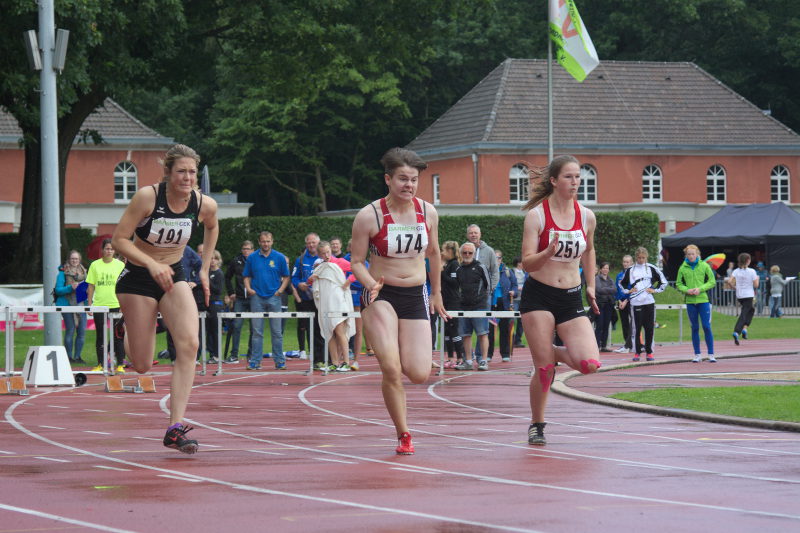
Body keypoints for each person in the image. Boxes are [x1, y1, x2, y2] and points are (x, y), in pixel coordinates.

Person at [111, 143, 219, 454]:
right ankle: (127, 329)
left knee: (190, 344)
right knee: (143, 365)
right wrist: (151, 263)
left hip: (174, 274)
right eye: (182, 171)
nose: (188, 177)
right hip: (138, 277)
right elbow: (119, 239)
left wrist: (204, 267)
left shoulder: (203, 204)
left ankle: (175, 427)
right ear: (168, 173)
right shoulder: (148, 197)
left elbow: (212, 228)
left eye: (192, 172)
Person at [349, 147, 447, 455]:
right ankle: (404, 433)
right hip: (382, 294)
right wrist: (370, 284)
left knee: (418, 373)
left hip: (415, 293)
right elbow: (355, 261)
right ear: (388, 180)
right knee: (391, 368)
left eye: (414, 180)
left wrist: (436, 292)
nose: (409, 185)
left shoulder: (428, 212)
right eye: (403, 179)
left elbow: (433, 253)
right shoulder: (370, 216)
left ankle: (398, 350)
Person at [519, 155, 601, 446]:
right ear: (554, 181)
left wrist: (590, 285)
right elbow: (527, 263)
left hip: (570, 296)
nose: (575, 182)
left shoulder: (586, 216)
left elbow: (589, 251)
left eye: (578, 177)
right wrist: (548, 251)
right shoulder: (537, 216)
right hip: (539, 295)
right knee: (544, 370)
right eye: (568, 177)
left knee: (590, 363)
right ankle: (537, 424)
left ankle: (548, 351)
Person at [243, 231, 290, 370]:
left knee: (277, 332)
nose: (266, 244)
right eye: (263, 241)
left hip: (274, 298)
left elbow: (286, 276)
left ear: (272, 241)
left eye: (268, 241)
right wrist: (249, 289)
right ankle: (256, 361)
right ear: (259, 242)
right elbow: (246, 276)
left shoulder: (279, 257)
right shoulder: (252, 257)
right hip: (257, 297)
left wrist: (280, 291)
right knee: (257, 332)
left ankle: (279, 361)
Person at [309, 241, 356, 372]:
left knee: (340, 331)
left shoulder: (340, 262)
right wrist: (312, 278)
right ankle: (334, 362)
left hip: (339, 302)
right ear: (319, 254)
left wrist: (348, 282)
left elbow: (357, 269)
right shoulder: (319, 266)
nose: (326, 255)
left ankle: (346, 362)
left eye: (328, 252)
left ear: (331, 251)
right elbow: (310, 281)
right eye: (323, 253)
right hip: (326, 303)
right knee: (329, 332)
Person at [618, 247, 667, 361]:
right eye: (639, 257)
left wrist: (655, 290)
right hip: (635, 303)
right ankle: (637, 352)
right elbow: (622, 284)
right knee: (636, 328)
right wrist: (628, 291)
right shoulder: (631, 270)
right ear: (636, 257)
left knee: (649, 328)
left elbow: (663, 282)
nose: (641, 260)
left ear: (647, 257)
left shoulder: (651, 268)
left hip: (649, 303)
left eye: (643, 257)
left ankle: (649, 352)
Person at [86, 239, 126, 373]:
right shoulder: (95, 265)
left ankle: (120, 364)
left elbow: (124, 286)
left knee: (118, 335)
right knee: (100, 336)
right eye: (107, 248)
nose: (109, 251)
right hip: (99, 305)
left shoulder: (120, 265)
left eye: (111, 249)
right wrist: (90, 304)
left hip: (116, 304)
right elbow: (91, 286)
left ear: (115, 251)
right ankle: (101, 364)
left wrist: (123, 305)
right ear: (102, 250)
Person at [675, 244, 716, 362]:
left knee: (706, 326)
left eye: (693, 254)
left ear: (697, 254)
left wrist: (700, 289)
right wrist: (686, 290)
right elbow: (678, 284)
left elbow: (712, 281)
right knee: (694, 327)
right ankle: (697, 354)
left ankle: (711, 354)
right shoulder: (682, 268)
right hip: (690, 302)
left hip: (703, 301)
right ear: (686, 255)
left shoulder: (704, 266)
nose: (691, 256)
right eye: (689, 254)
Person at [455, 242, 491, 370]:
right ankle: (468, 361)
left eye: (470, 252)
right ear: (461, 253)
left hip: (479, 306)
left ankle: (484, 360)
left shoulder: (481, 267)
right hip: (463, 306)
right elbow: (456, 287)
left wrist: (482, 300)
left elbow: (489, 286)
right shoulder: (458, 269)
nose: (467, 255)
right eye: (464, 252)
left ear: (474, 254)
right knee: (465, 334)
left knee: (482, 333)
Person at [292, 233, 325, 366]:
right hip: (306, 299)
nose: (311, 245)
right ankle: (315, 359)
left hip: (322, 299)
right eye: (309, 243)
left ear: (318, 243)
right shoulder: (300, 259)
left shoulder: (324, 258)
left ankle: (325, 358)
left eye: (314, 243)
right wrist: (299, 284)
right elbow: (294, 277)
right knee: (310, 329)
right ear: (306, 244)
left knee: (322, 328)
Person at [55, 250, 88, 363]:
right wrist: (70, 288)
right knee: (70, 330)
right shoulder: (62, 273)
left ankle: (78, 357)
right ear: (69, 259)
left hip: (81, 304)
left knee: (81, 332)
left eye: (76, 259)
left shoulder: (84, 273)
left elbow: (88, 290)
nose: (74, 261)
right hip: (67, 305)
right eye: (72, 258)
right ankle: (68, 357)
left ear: (80, 260)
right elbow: (58, 290)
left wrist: (89, 305)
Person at [224, 240, 254, 362]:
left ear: (252, 250)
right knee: (236, 325)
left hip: (253, 298)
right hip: (240, 299)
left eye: (248, 249)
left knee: (254, 327)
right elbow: (227, 277)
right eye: (244, 249)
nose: (246, 251)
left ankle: (251, 354)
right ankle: (234, 354)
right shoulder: (236, 261)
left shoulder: (257, 261)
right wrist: (231, 292)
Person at [440, 240, 464, 368]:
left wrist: (442, 273)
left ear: (450, 251)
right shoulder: (448, 264)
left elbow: (455, 283)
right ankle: (450, 357)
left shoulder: (454, 264)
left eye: (444, 250)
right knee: (446, 332)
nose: (442, 253)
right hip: (445, 301)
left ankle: (460, 357)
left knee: (454, 330)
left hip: (453, 301)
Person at [488, 249, 514, 362]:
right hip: (491, 303)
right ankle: (488, 354)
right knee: (489, 330)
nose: (496, 260)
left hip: (504, 303)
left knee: (504, 329)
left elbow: (514, 284)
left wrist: (514, 292)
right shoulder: (487, 270)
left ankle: (505, 354)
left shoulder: (507, 271)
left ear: (501, 259)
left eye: (498, 258)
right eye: (494, 257)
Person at [729, 252, 758, 344]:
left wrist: (734, 287)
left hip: (740, 295)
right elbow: (756, 285)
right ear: (748, 261)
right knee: (744, 313)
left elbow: (729, 281)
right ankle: (737, 331)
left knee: (751, 310)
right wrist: (757, 280)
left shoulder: (736, 271)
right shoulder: (752, 271)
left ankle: (745, 329)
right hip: (748, 295)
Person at [206, 250, 225, 364]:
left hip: (215, 304)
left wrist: (208, 282)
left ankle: (217, 355)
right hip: (207, 304)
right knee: (208, 331)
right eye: (211, 258)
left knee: (215, 330)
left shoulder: (219, 274)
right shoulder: (206, 272)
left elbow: (218, 290)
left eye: (215, 259)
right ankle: (211, 353)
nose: (212, 261)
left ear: (218, 260)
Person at [613, 255, 634, 353]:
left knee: (632, 323)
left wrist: (626, 300)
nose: (625, 264)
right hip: (621, 302)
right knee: (624, 323)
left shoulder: (634, 274)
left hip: (631, 301)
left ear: (632, 263)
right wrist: (619, 301)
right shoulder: (619, 275)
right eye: (624, 262)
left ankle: (631, 344)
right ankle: (627, 344)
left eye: (628, 262)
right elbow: (617, 289)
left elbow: (634, 289)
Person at [594, 261, 616, 353]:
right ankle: (597, 346)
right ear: (600, 269)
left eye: (607, 268)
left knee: (606, 325)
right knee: (599, 325)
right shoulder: (597, 279)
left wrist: (605, 290)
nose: (605, 270)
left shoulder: (610, 280)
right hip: (600, 305)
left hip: (609, 305)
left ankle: (604, 346)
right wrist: (609, 290)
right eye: (604, 268)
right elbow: (598, 290)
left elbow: (614, 290)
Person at [511, 257, 526, 348]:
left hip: (523, 299)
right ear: (518, 263)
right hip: (514, 299)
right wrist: (517, 289)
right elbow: (512, 284)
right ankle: (511, 339)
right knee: (512, 319)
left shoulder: (525, 272)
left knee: (522, 321)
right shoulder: (512, 272)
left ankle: (518, 340)